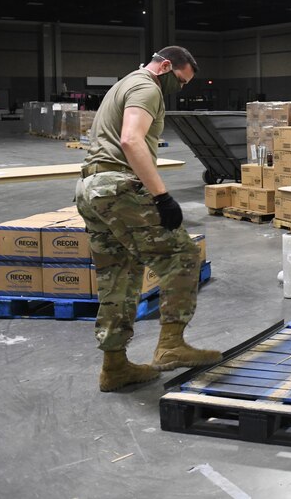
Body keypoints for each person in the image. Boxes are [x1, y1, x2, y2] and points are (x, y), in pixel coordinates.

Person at [74, 46, 221, 392]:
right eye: (180, 81)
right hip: (117, 187)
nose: (180, 89)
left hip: (90, 188)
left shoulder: (124, 83)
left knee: (119, 273)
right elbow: (130, 139)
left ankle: (114, 366)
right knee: (182, 254)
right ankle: (171, 344)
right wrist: (162, 196)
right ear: (166, 66)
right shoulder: (147, 86)